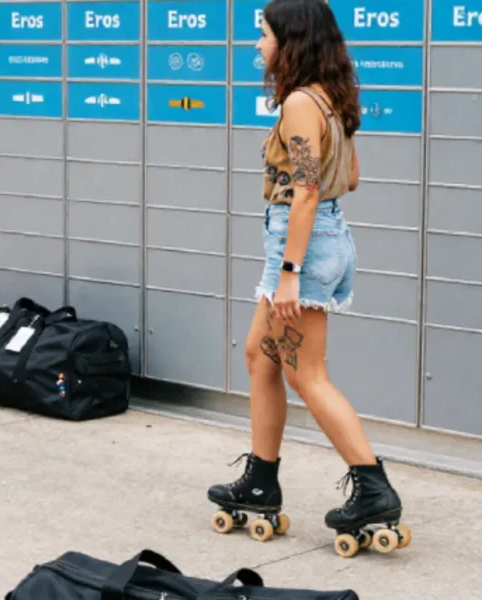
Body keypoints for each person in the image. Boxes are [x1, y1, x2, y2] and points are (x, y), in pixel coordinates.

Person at [206, 0, 409, 557]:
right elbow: (353, 175)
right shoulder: (331, 96)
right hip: (326, 239)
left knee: (308, 375)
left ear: (289, 41)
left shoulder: (299, 102)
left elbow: (307, 191)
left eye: (263, 35)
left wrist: (290, 272)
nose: (257, 46)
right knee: (258, 355)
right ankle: (261, 478)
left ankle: (373, 489)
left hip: (302, 245)